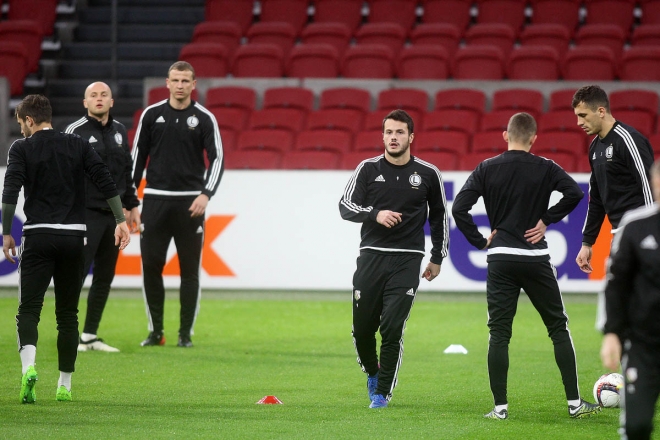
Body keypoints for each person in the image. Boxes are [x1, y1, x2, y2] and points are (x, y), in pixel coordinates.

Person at [452, 112, 600, 419]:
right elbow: (575, 193)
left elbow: (459, 208)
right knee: (558, 327)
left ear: (505, 136)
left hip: (501, 258)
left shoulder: (487, 167)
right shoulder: (545, 167)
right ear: (534, 138)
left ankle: (500, 408)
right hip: (536, 258)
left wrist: (480, 242)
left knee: (499, 333)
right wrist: (546, 220)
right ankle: (574, 404)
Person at [2, 94, 130, 403]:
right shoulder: (78, 144)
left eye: (21, 124)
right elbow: (105, 180)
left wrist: (6, 233)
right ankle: (65, 385)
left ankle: (29, 369)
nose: (21, 130)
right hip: (74, 238)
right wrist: (120, 220)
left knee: (29, 310)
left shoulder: (22, 148)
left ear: (30, 120)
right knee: (68, 315)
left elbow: (10, 193)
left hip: (38, 237)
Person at [339, 109, 448, 409]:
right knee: (362, 329)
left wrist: (437, 256)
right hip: (371, 257)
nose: (393, 137)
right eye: (389, 132)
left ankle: (382, 392)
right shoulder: (368, 169)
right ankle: (373, 372)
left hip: (407, 260)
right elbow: (345, 206)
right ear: (383, 135)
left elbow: (440, 217)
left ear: (411, 137)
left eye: (400, 132)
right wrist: (375, 214)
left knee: (391, 327)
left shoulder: (428, 173)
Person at [132, 61, 223, 348]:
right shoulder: (151, 115)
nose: (180, 85)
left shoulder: (205, 118)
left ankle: (185, 334)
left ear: (194, 84)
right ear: (167, 83)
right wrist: (129, 199)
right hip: (155, 202)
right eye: (176, 80)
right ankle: (155, 331)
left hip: (190, 205)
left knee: (189, 271)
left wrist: (206, 193)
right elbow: (136, 159)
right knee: (151, 267)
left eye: (186, 80)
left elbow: (218, 159)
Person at [64, 81, 141, 353]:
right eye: (93, 96)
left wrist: (132, 205)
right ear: (85, 103)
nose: (99, 99)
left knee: (105, 277)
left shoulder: (120, 131)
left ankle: (89, 335)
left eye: (104, 95)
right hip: (85, 216)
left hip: (114, 218)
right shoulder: (74, 132)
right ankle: (68, 334)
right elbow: (64, 177)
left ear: (112, 101)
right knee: (76, 276)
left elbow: (126, 173)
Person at [600, 159, 660, 440]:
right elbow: (615, 283)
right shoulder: (636, 225)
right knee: (636, 427)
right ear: (654, 183)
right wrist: (612, 332)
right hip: (643, 344)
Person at [572, 85, 654, 276]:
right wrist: (587, 243)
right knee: (622, 298)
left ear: (601, 111)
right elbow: (597, 198)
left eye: (583, 115)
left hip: (641, 232)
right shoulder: (594, 148)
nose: (578, 122)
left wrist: (652, 232)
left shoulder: (628, 139)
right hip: (619, 234)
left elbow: (649, 185)